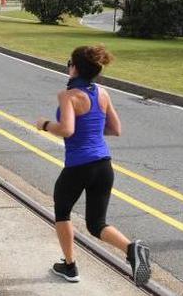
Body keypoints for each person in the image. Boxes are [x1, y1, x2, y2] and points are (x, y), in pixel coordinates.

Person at [35, 45, 151, 286]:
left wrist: (45, 124)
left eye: (69, 62)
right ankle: (131, 249)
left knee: (62, 211)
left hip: (79, 166)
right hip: (103, 166)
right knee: (96, 223)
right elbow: (115, 129)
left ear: (75, 68)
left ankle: (70, 266)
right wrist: (91, 130)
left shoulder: (68, 96)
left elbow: (67, 129)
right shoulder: (102, 93)